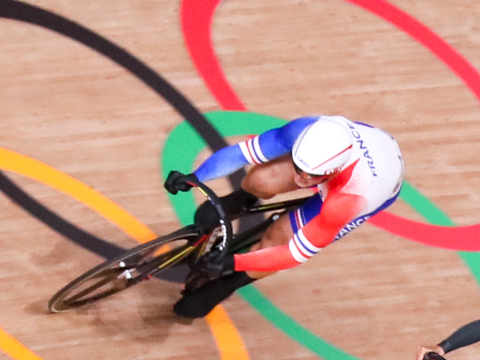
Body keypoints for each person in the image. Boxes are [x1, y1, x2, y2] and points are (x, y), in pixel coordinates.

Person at [171, 114, 404, 319]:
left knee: (279, 238)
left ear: (330, 172)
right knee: (262, 179)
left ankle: (230, 284)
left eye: (310, 175)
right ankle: (243, 198)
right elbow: (241, 154)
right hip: (352, 152)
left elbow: (292, 254)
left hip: (369, 185)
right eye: (297, 167)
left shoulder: (350, 198)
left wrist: (231, 263)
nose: (300, 179)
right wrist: (195, 176)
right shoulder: (303, 129)